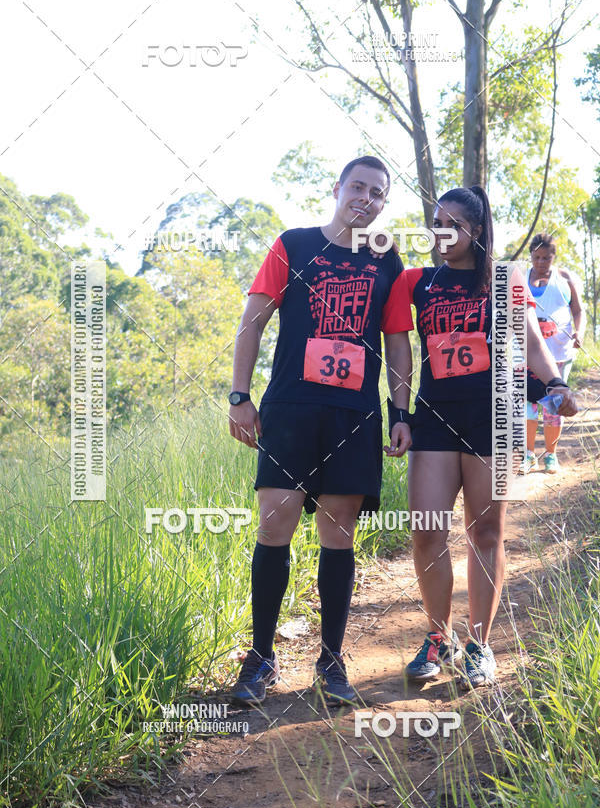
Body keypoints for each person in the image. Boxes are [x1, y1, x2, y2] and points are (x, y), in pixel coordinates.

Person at [227, 155, 412, 707]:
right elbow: (253, 321)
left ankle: (331, 661)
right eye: (358, 187)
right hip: (289, 408)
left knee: (339, 532)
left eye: (378, 193)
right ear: (337, 189)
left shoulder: (387, 260)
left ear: (383, 203)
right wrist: (240, 396)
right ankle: (260, 658)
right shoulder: (294, 244)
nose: (367, 198)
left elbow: (399, 342)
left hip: (353, 415)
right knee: (275, 522)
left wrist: (400, 412)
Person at [387, 187, 578, 689]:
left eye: (452, 223)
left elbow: (531, 343)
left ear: (475, 230)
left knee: (486, 532)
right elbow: (399, 348)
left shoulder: (503, 279)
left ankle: (478, 645)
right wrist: (399, 414)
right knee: (427, 529)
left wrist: (555, 384)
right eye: (435, 221)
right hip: (434, 415)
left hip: (493, 416)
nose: (440, 232)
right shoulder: (417, 282)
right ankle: (437, 636)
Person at [523, 233, 585, 474]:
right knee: (529, 405)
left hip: (558, 352)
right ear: (530, 256)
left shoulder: (564, 278)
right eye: (537, 257)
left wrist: (578, 333)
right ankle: (529, 455)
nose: (541, 262)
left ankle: (551, 455)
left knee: (554, 405)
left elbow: (578, 311)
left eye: (546, 258)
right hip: (527, 354)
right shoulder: (521, 280)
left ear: (553, 257)